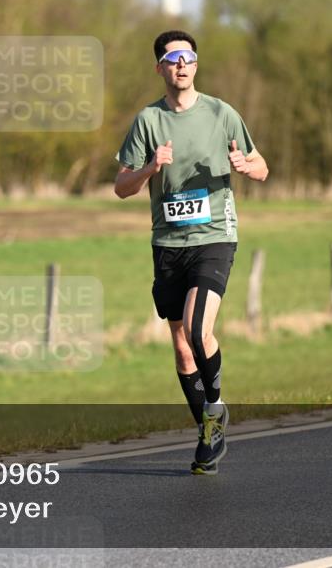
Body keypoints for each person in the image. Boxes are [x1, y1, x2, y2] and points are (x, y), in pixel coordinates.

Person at [114, 30, 269, 475]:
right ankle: (206, 430)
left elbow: (261, 165)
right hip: (167, 244)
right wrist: (150, 167)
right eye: (172, 58)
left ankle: (216, 409)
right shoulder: (148, 121)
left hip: (214, 236)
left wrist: (246, 167)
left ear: (195, 65)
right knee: (183, 351)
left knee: (200, 328)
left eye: (189, 57)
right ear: (160, 67)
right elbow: (122, 188)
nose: (182, 64)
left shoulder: (222, 114)